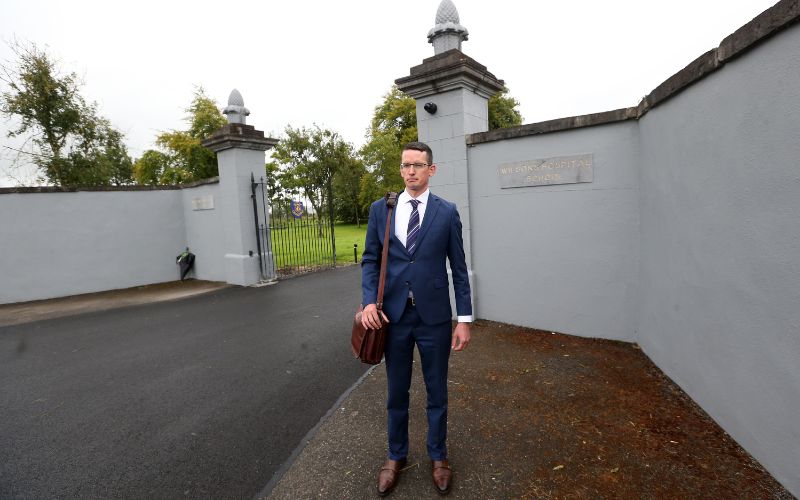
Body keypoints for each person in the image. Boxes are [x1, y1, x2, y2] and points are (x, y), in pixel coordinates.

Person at [361, 141, 472, 496]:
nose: (411, 171)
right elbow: (370, 260)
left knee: (437, 390)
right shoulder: (382, 209)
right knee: (397, 391)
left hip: (434, 318)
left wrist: (464, 318)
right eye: (405, 165)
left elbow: (459, 268)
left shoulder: (447, 212)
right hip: (393, 318)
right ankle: (396, 455)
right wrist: (368, 303)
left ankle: (438, 456)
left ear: (431, 170)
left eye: (418, 165)